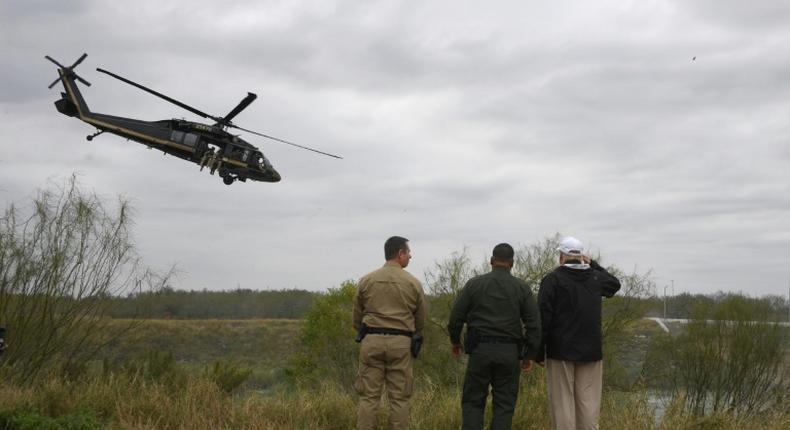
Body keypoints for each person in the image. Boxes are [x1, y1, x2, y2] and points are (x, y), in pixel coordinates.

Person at [448, 243, 541, 430]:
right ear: (512, 263)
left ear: (491, 261)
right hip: (509, 353)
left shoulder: (474, 284)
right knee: (504, 405)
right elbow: (534, 325)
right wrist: (529, 355)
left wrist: (456, 341)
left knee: (473, 402)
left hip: (480, 351)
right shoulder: (522, 288)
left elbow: (456, 317)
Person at [536, 236, 621, 430]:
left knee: (563, 403)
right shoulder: (595, 278)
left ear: (561, 256)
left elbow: (543, 318)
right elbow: (614, 284)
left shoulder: (552, 280)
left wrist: (539, 351)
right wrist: (595, 265)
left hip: (560, 351)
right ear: (582, 257)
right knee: (588, 404)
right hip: (591, 351)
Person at [352, 236, 427, 430]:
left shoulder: (366, 280)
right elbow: (420, 321)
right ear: (400, 253)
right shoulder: (414, 283)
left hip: (371, 341)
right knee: (400, 399)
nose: (410, 256)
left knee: (368, 397)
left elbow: (356, 318)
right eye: (408, 252)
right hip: (401, 344)